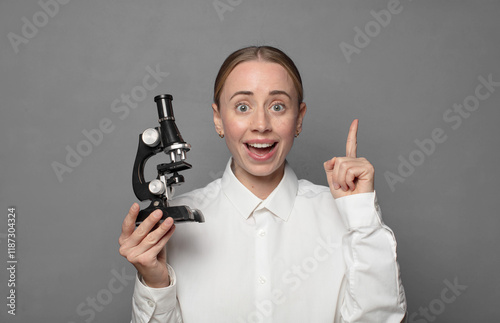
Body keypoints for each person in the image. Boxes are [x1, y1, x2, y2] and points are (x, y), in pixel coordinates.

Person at [119, 46, 407, 323]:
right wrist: (155, 283)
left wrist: (362, 216)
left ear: (299, 118)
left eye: (278, 106)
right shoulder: (175, 228)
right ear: (219, 119)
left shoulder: (345, 217)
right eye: (243, 106)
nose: (261, 124)